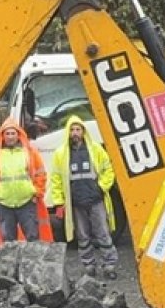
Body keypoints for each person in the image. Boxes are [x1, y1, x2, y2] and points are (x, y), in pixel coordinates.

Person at [49, 116, 119, 279]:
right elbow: (56, 179)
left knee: (103, 232)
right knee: (82, 235)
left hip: (95, 199)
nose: (75, 133)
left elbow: (108, 169)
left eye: (78, 129)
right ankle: (89, 266)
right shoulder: (61, 154)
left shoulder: (95, 149)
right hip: (76, 202)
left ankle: (109, 265)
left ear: (83, 131)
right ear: (68, 132)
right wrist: (59, 202)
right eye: (72, 130)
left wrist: (100, 187)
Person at [0, 118, 53, 246]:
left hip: (27, 201)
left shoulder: (30, 152)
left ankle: (32, 265)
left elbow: (41, 174)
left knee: (33, 239)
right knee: (8, 242)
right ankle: (12, 266)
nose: (10, 137)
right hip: (4, 203)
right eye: (7, 134)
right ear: (2, 136)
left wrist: (37, 193)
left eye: (13, 133)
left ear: (18, 134)